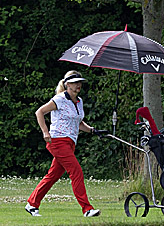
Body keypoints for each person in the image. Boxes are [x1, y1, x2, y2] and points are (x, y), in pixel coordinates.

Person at [26, 70, 105, 217]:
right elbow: (39, 112)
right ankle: (87, 209)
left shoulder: (79, 101)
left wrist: (93, 130)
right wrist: (45, 132)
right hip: (57, 141)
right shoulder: (60, 99)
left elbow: (78, 122)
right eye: (75, 83)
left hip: (70, 143)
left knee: (53, 175)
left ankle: (32, 204)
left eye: (80, 83)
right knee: (76, 172)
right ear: (67, 84)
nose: (78, 85)